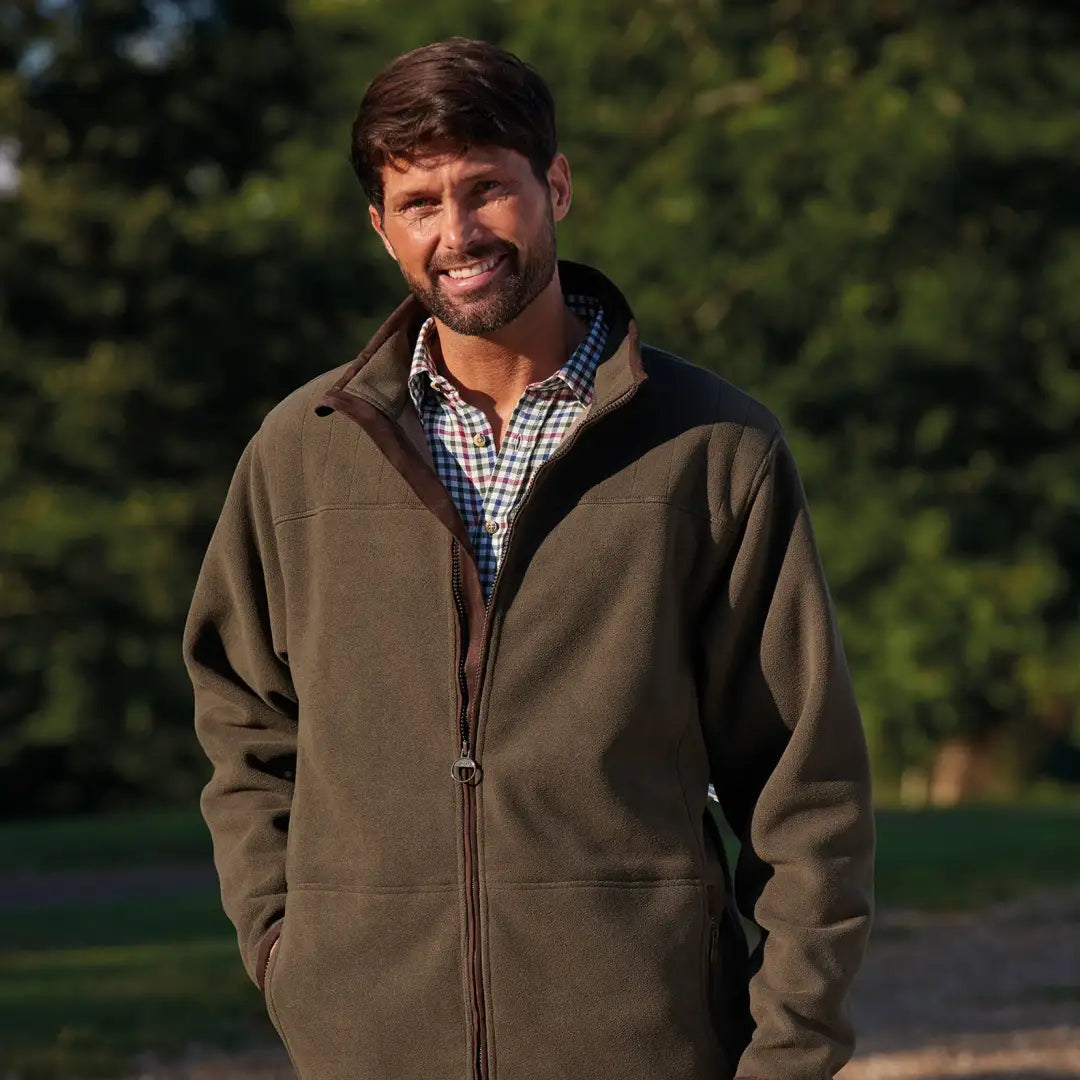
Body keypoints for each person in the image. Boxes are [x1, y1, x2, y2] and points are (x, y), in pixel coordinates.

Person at [183, 36, 874, 1080]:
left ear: (554, 186)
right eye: (420, 203)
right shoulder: (300, 453)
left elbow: (803, 784)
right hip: (372, 1046)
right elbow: (244, 720)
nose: (457, 233)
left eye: (486, 190)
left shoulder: (715, 450)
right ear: (381, 227)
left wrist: (788, 1050)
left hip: (645, 1045)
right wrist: (293, 950)